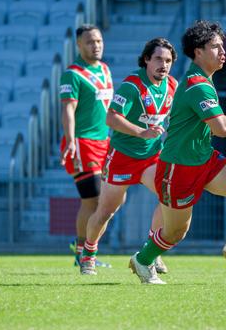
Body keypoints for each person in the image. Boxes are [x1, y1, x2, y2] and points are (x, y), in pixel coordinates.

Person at [128, 20, 226, 285]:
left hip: (204, 159)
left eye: (222, 46)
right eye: (215, 46)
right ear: (198, 51)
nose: (222, 52)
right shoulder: (197, 84)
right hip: (178, 168)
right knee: (174, 234)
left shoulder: (204, 82)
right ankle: (143, 259)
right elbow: (220, 128)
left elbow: (217, 121)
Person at [78, 38, 178, 275]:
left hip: (152, 156)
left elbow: (172, 117)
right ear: (146, 60)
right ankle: (88, 253)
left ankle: (151, 252)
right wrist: (143, 132)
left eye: (168, 60)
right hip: (122, 156)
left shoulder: (172, 85)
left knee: (170, 197)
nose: (163, 65)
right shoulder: (132, 85)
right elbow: (111, 118)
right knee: (105, 212)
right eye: (158, 59)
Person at [59, 24, 112, 268]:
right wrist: (70, 140)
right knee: (93, 200)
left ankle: (85, 250)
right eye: (90, 42)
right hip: (83, 142)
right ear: (79, 45)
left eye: (99, 41)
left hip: (105, 143)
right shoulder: (73, 74)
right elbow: (68, 108)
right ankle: (83, 253)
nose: (96, 45)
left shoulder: (105, 69)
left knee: (108, 201)